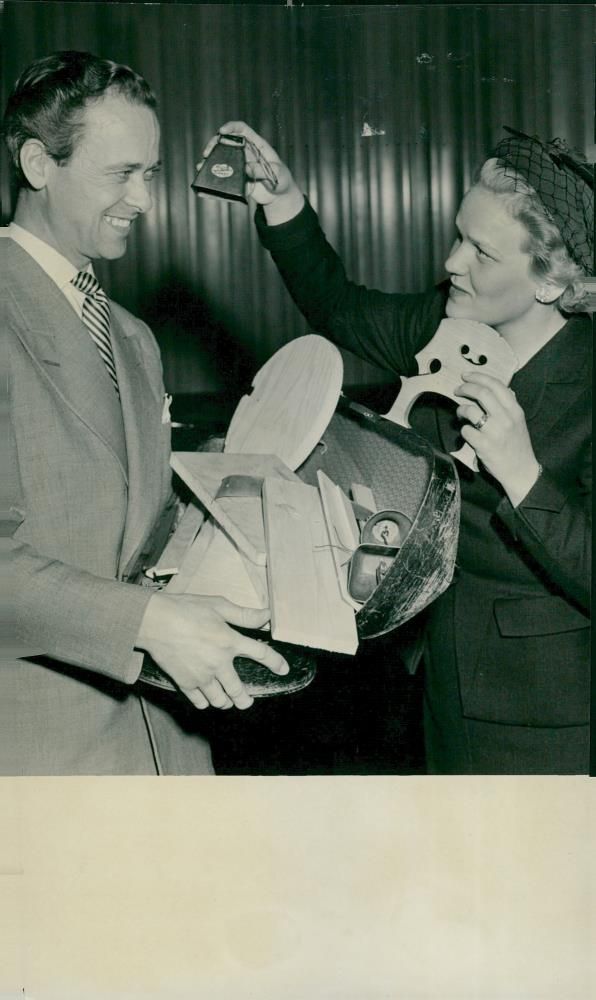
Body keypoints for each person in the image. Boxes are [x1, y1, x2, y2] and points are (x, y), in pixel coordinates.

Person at [199, 121, 593, 774]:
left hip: (551, 716)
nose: (451, 263)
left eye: (482, 253)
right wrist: (284, 202)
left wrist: (524, 476)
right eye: (458, 235)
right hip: (439, 690)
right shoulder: (443, 324)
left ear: (550, 281)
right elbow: (336, 305)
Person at [1, 53, 290, 776]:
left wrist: (265, 538)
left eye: (152, 172)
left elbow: (136, 530)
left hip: (165, 745)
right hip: (43, 755)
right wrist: (151, 623)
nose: (145, 199)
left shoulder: (131, 335)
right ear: (39, 163)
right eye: (120, 173)